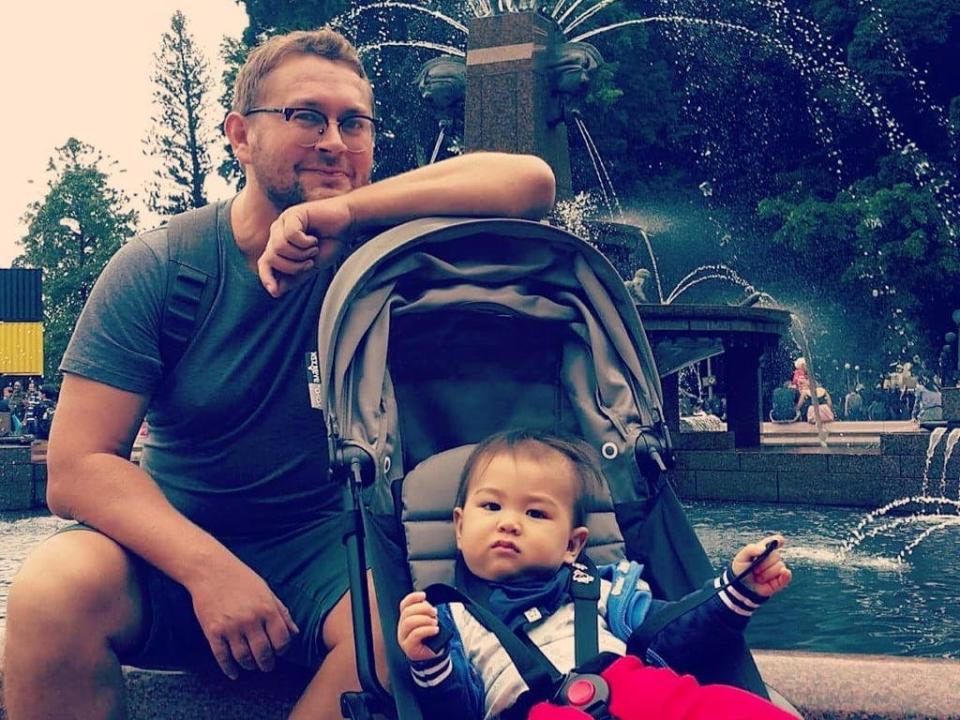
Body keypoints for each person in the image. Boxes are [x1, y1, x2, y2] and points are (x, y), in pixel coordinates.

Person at [3, 27, 556, 720]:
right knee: (50, 591)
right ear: (240, 135)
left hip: (326, 551)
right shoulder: (163, 266)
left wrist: (346, 211)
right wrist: (209, 570)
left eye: (353, 122)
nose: (334, 140)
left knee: (404, 638)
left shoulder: (383, 246)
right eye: (305, 116)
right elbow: (76, 465)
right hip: (171, 545)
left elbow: (531, 183)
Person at [398, 430, 793, 720]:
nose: (510, 523)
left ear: (573, 545)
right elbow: (459, 709)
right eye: (491, 506)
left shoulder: (602, 587)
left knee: (727, 707)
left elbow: (672, 633)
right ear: (460, 527)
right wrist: (429, 662)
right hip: (530, 710)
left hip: (629, 684)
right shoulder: (450, 617)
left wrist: (735, 590)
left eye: (535, 513)